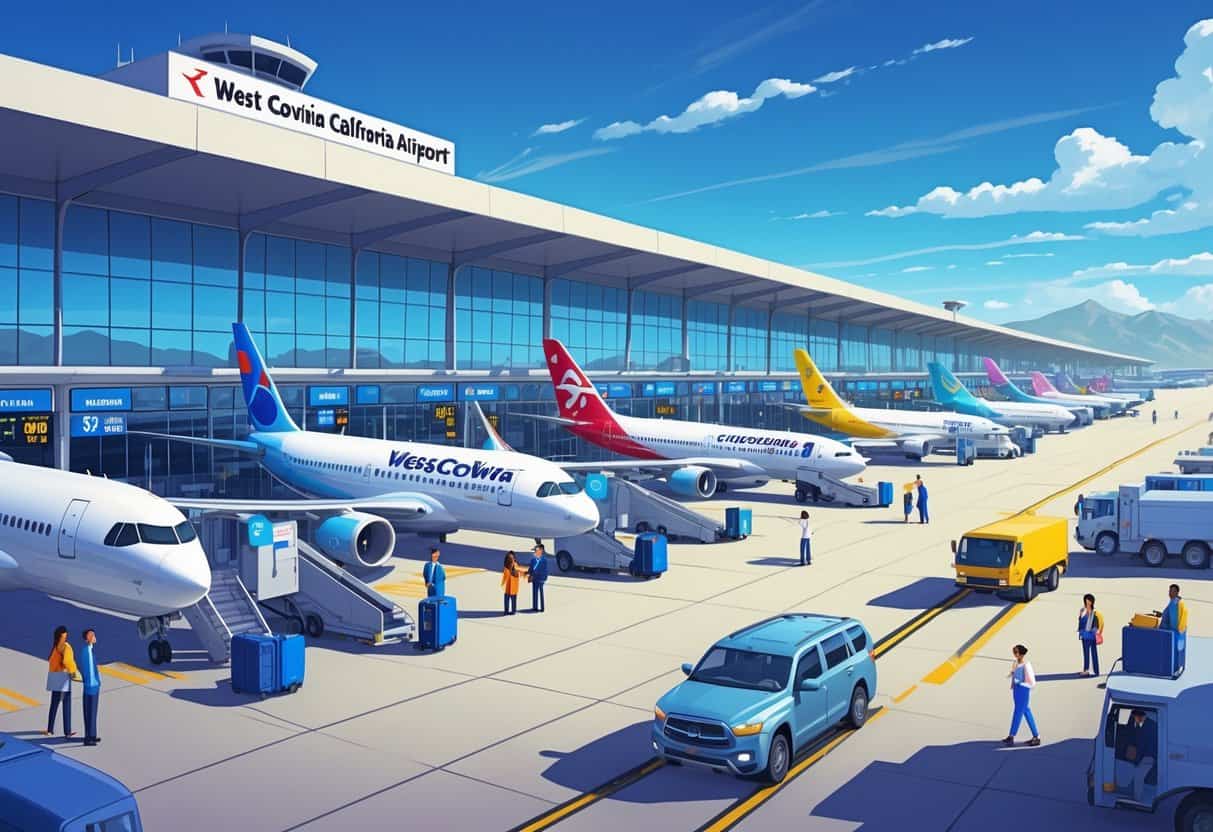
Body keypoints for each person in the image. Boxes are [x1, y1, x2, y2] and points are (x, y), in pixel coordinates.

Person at [45, 625, 79, 738]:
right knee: (66, 704)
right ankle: (67, 732)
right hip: (63, 678)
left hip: (54, 676)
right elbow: (68, 661)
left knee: (54, 703)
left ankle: (50, 729)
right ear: (62, 636)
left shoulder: (55, 646)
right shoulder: (66, 647)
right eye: (65, 635)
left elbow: (51, 660)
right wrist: (73, 672)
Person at [1116, 709, 1157, 802]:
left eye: (1135, 717)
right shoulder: (1134, 724)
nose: (1135, 719)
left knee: (1139, 775)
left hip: (1148, 756)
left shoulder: (1151, 726)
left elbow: (1148, 746)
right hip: (1139, 755)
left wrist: (1137, 759)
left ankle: (1137, 799)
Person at [1003, 644, 1040, 747]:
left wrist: (1021, 684)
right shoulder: (1016, 663)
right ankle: (1036, 736)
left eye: (1016, 652)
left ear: (1020, 654)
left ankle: (1012, 735)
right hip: (1017, 690)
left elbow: (1032, 681)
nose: (1014, 654)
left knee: (1018, 713)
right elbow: (1015, 674)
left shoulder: (1026, 665)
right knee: (1026, 712)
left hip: (1023, 690)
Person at [79, 628, 101, 746]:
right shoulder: (86, 651)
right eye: (92, 635)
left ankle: (92, 734)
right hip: (91, 686)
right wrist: (92, 683)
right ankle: (88, 738)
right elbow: (88, 670)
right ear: (87, 638)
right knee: (89, 712)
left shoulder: (90, 649)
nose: (94, 636)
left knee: (93, 712)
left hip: (94, 685)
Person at [1159, 583, 1189, 670]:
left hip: (1173, 632)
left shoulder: (1176, 603)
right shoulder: (1173, 601)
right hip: (1174, 631)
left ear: (1177, 592)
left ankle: (1173, 667)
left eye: (1172, 591)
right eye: (1169, 591)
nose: (1170, 593)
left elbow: (1174, 619)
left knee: (1174, 651)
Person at [1078, 593, 1104, 677]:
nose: (1087, 603)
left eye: (1088, 601)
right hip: (1084, 636)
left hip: (1091, 636)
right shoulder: (1083, 611)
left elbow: (1096, 626)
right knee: (1086, 654)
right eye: (1086, 601)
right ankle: (1086, 670)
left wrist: (1094, 633)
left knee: (1093, 653)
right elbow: (1081, 623)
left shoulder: (1095, 613)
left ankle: (1095, 670)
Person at [526, 544, 549, 612]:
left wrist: (530, 573)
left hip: (537, 578)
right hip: (540, 578)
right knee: (538, 592)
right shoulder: (543, 559)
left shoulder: (538, 559)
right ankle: (540, 607)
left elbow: (533, 568)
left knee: (536, 592)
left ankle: (536, 607)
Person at [501, 551, 520, 615]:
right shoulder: (506, 568)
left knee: (513, 599)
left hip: (514, 588)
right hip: (507, 588)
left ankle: (513, 610)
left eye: (512, 558)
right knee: (506, 599)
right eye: (509, 558)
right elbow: (505, 576)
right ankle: (506, 611)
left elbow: (518, 574)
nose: (511, 560)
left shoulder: (516, 566)